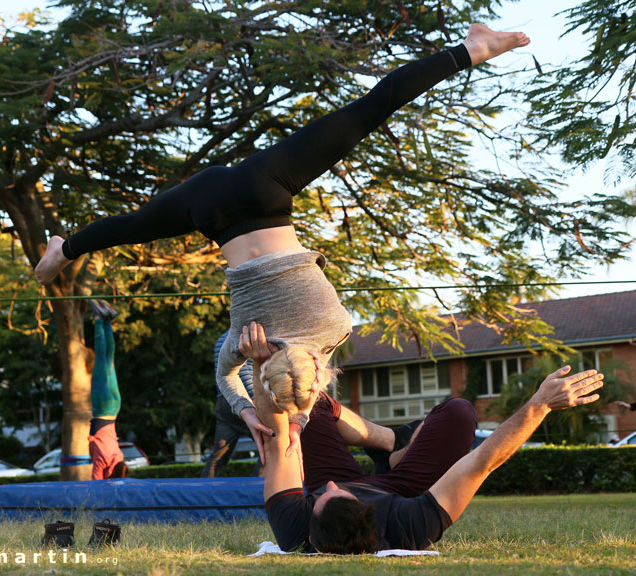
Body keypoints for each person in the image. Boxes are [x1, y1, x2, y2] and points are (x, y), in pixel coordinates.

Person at [35, 25, 531, 458]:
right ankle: (63, 250)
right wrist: (254, 403)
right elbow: (232, 379)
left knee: (368, 111)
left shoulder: (332, 330)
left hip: (265, 190)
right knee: (134, 223)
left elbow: (310, 388)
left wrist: (275, 399)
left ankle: (471, 49)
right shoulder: (247, 348)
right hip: (213, 210)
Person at [239, 322, 604, 553]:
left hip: (375, 487)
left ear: (312, 537)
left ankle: (389, 443)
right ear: (369, 512)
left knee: (304, 401)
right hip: (400, 487)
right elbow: (482, 462)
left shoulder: (294, 530)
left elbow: (276, 439)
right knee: (459, 410)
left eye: (321, 494)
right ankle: (393, 451)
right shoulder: (409, 527)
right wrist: (540, 405)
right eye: (340, 492)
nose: (330, 484)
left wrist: (261, 367)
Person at [201, 331, 264, 478]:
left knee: (218, 457)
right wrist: (254, 398)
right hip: (243, 400)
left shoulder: (221, 338)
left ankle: (204, 492)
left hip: (223, 401)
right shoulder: (244, 337)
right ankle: (259, 490)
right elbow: (241, 371)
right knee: (269, 446)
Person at [88, 299, 129, 480]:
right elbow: (95, 483)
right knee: (101, 359)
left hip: (114, 408)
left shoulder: (119, 458)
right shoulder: (103, 461)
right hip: (101, 407)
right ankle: (98, 318)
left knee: (109, 359)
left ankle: (107, 320)